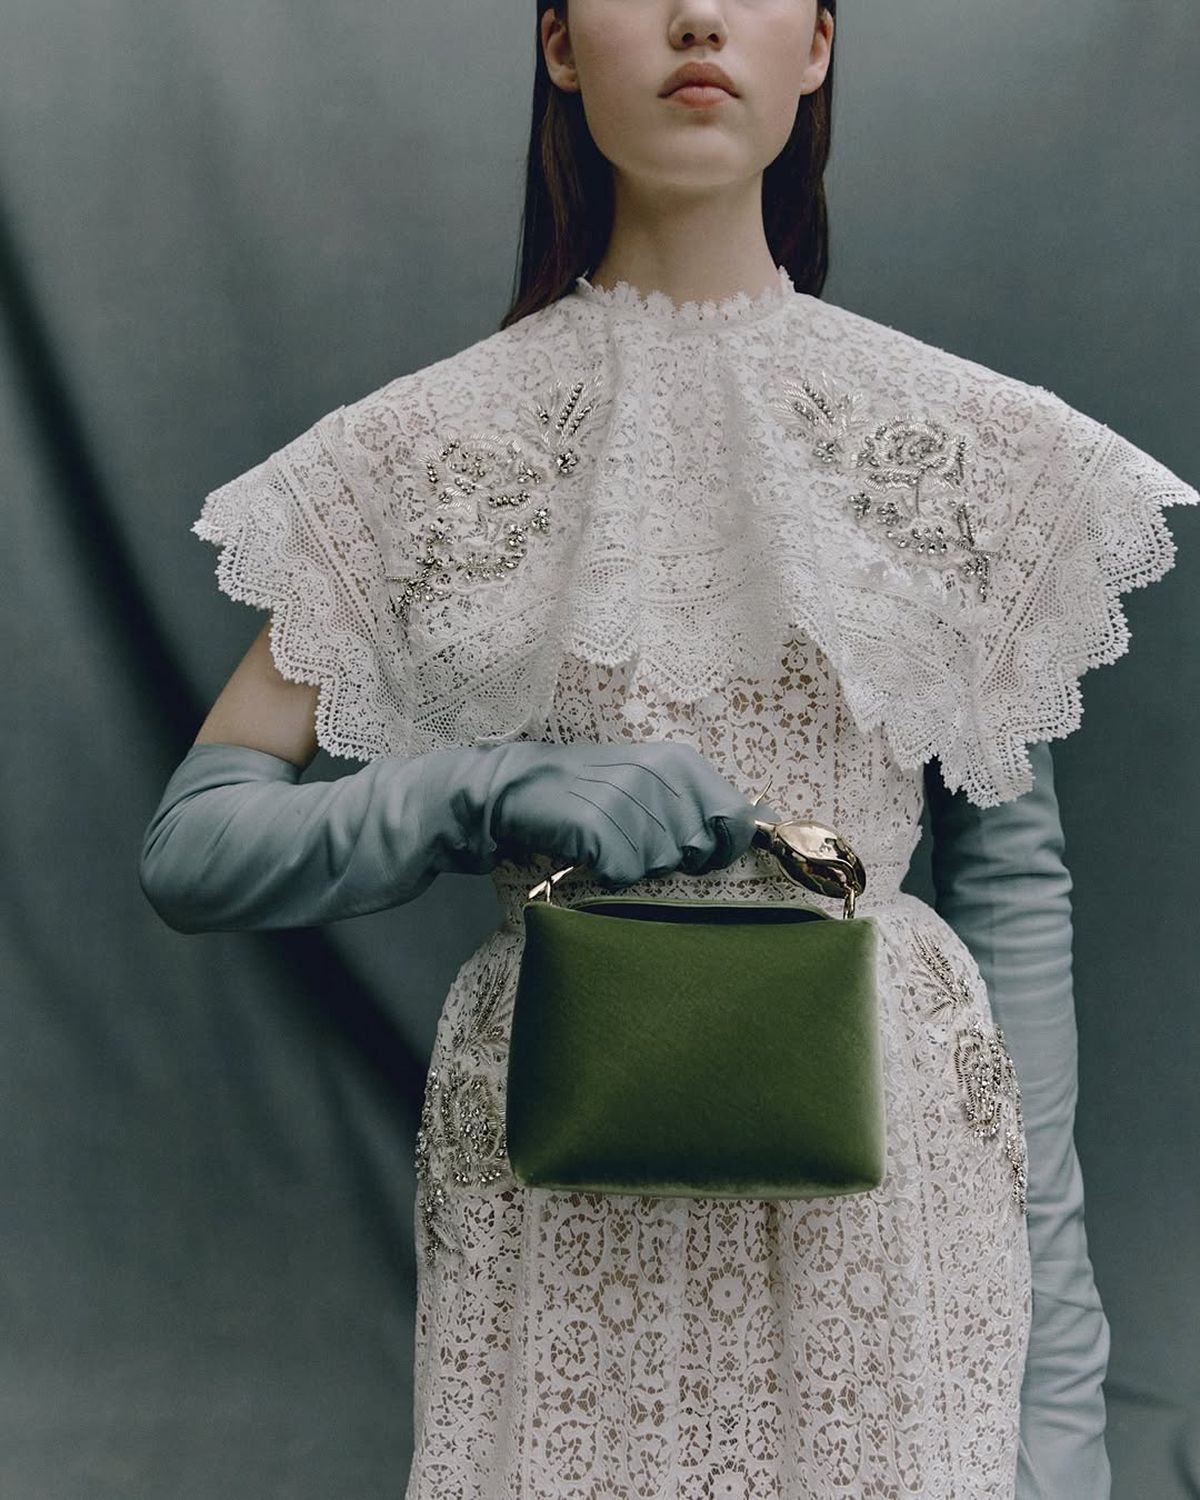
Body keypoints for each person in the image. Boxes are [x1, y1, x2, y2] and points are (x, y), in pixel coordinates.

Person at [138, 2, 1198, 1495]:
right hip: (559, 1190)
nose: (699, 15)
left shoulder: (959, 451)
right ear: (560, 44)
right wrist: (478, 791)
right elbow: (196, 840)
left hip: (901, 1197)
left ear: (817, 45)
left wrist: (1062, 1395)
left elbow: (1016, 891)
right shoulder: (431, 454)